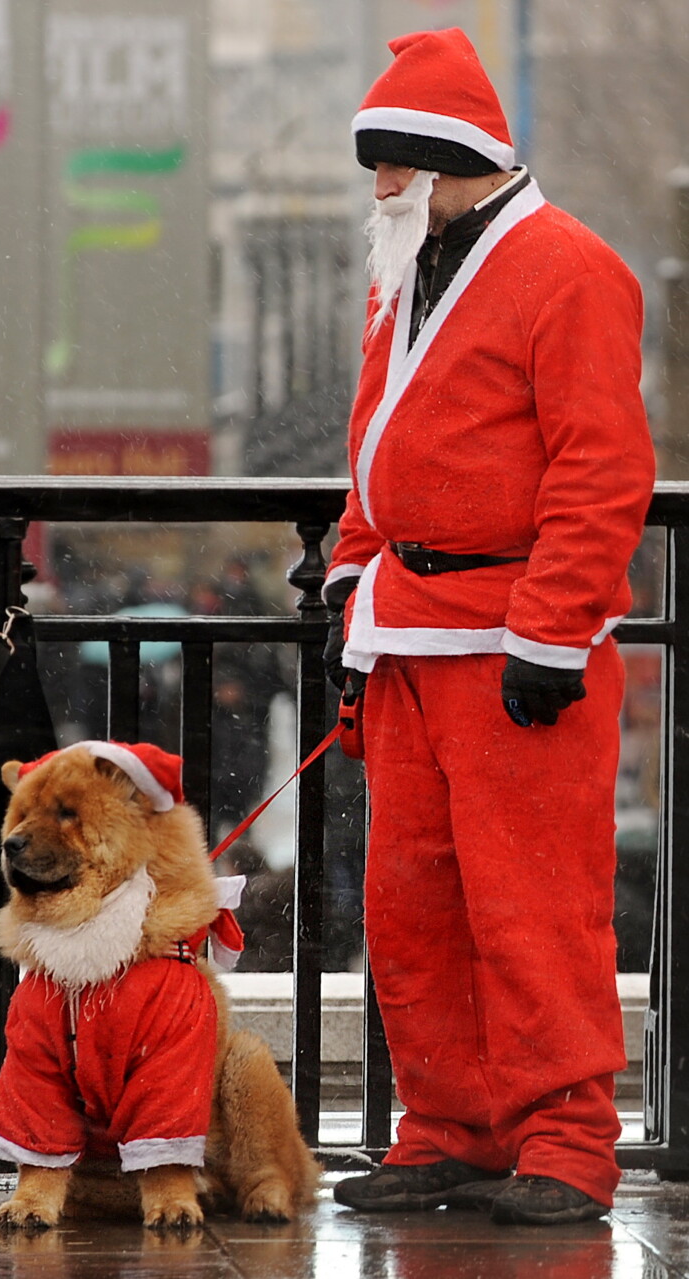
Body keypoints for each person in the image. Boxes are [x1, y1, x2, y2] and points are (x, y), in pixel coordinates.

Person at [323, 28, 656, 1226]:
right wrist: (348, 577)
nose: (377, 193)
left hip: (514, 638)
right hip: (406, 635)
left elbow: (601, 470)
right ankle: (448, 1126)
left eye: (388, 170)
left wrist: (551, 632)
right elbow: (374, 447)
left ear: (440, 162)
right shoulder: (410, 268)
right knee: (412, 905)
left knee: (535, 905)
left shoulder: (567, 268)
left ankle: (567, 1141)